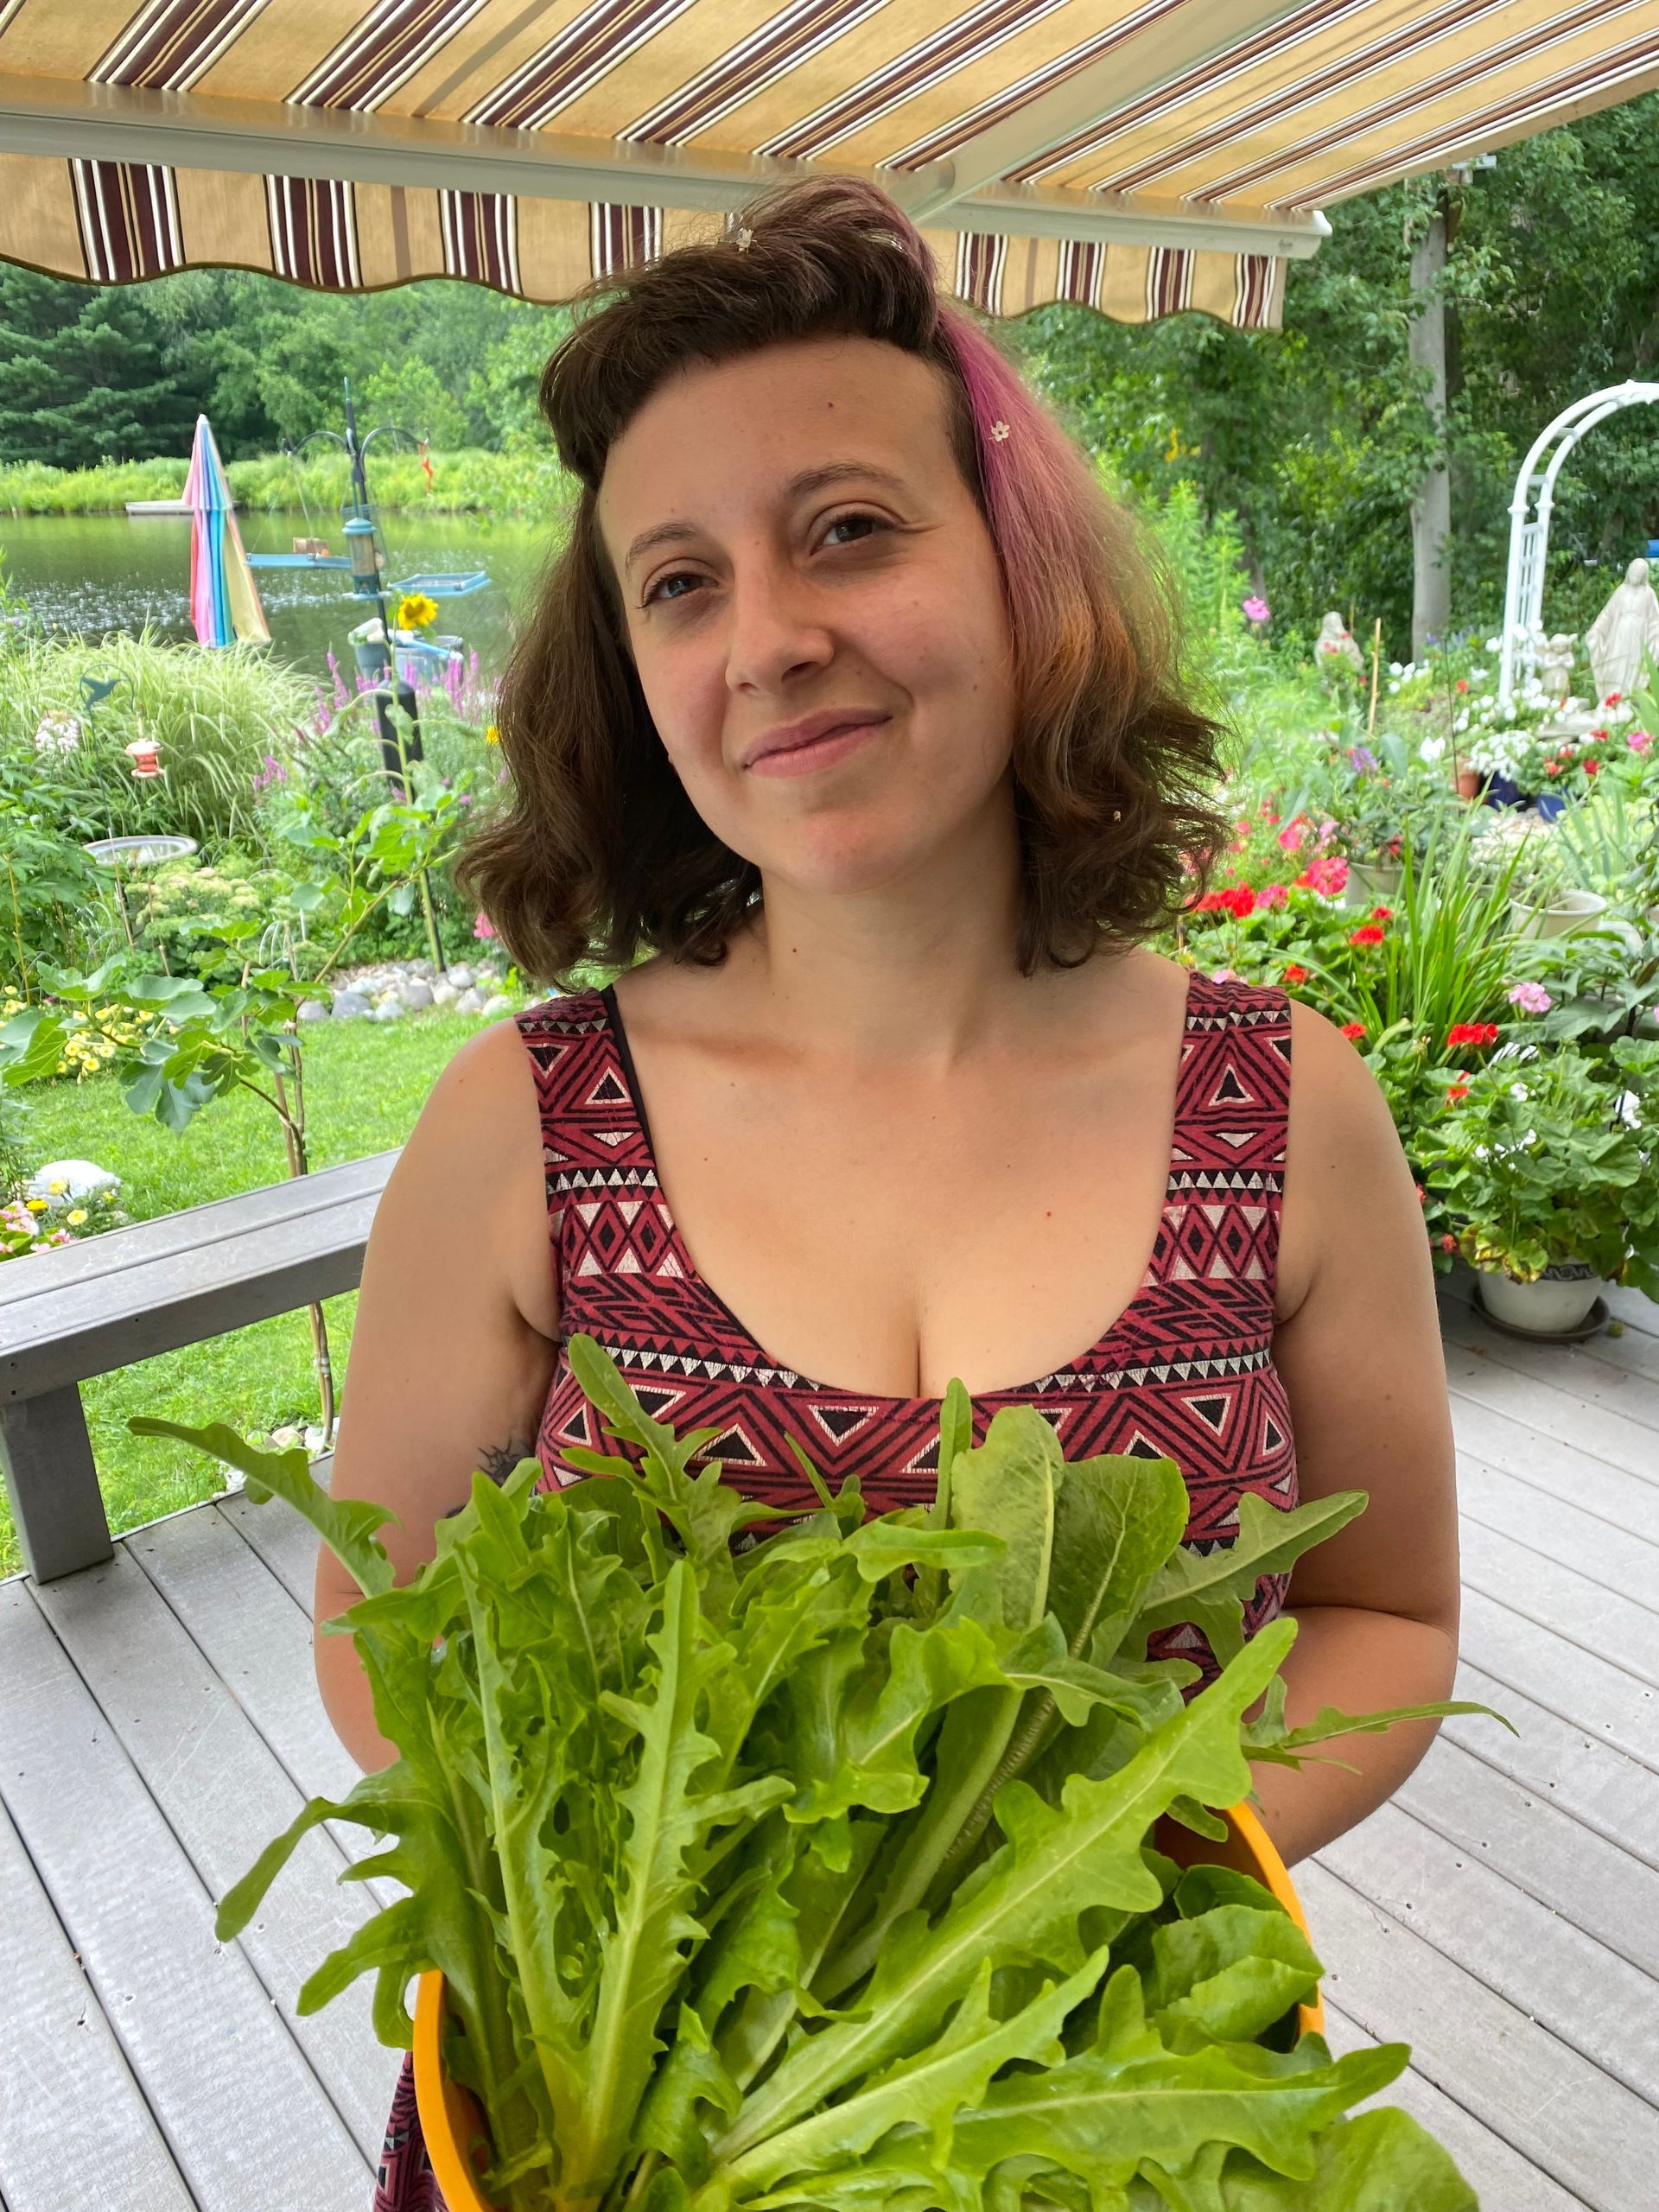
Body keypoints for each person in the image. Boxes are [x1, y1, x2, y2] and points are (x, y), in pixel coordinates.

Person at [314, 176, 1459, 2210]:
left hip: (1097, 2098)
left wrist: (1081, 1864)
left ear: (1025, 574)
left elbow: (1385, 1608)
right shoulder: (524, 1125)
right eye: (678, 580)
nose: (768, 635)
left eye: (847, 527)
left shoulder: (1284, 1109)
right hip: (594, 2133)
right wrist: (632, 1918)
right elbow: (382, 1626)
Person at [1586, 556, 1659, 702]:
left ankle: (1626, 699)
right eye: (1634, 572)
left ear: (1644, 576)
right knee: (1615, 663)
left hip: (1638, 637)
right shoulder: (1621, 591)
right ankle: (1611, 698)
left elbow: (1655, 620)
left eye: (1639, 573)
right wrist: (1597, 631)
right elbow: (1608, 614)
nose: (1635, 576)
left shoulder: (1648, 593)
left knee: (1633, 667)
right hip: (1619, 634)